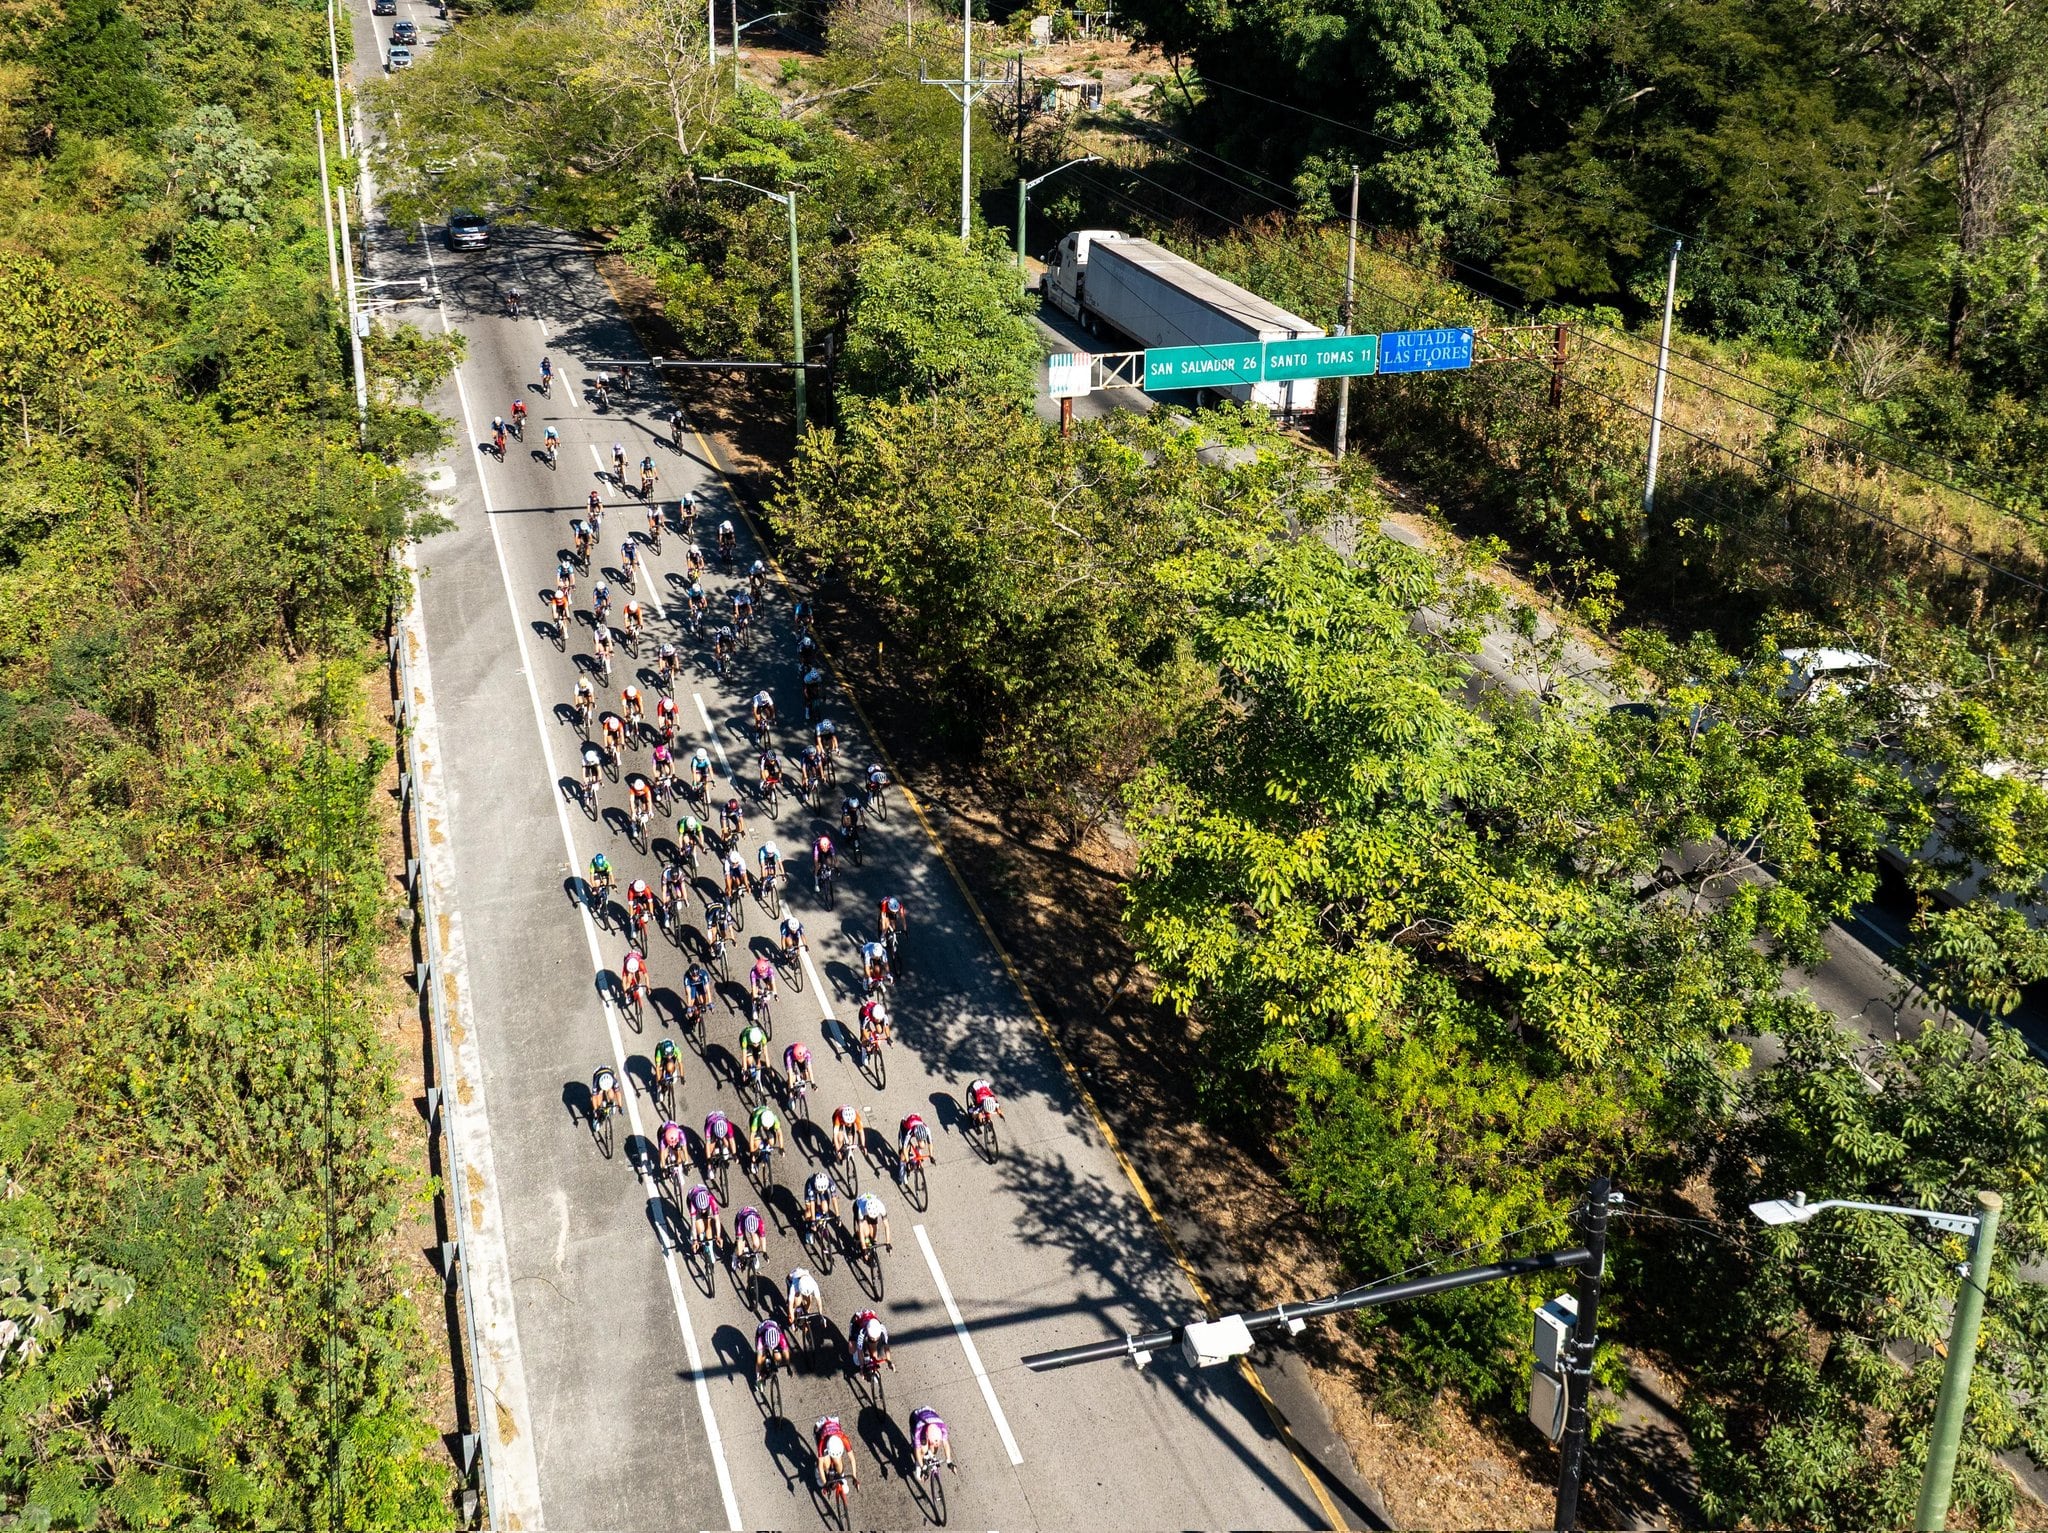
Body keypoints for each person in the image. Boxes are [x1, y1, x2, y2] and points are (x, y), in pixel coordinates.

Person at [814, 1415, 857, 1490]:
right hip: (819, 1430)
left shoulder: (844, 1438)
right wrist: (825, 1484)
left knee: (838, 1461)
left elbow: (852, 1459)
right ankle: (816, 1471)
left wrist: (855, 1477)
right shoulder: (822, 1444)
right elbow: (821, 1467)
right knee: (826, 1465)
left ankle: (842, 1477)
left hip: (833, 1428)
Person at [685, 1180, 723, 1251]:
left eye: (704, 1209)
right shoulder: (693, 1204)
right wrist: (695, 1240)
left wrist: (718, 1236)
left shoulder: (711, 1199)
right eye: (701, 1209)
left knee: (708, 1223)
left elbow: (717, 1220)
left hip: (704, 1199)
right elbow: (692, 1224)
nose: (703, 1211)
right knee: (700, 1228)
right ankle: (699, 1235)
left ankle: (709, 1248)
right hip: (691, 1198)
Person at [898, 1111, 934, 1181]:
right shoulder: (910, 1132)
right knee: (904, 1154)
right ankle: (901, 1171)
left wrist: (931, 1156)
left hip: (916, 1122)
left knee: (922, 1145)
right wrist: (908, 1161)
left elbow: (930, 1143)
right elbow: (904, 1148)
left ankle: (917, 1150)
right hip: (905, 1126)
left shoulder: (926, 1129)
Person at [787, 1264, 822, 1331]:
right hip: (791, 1279)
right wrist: (793, 1319)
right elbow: (790, 1305)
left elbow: (819, 1300)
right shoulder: (794, 1286)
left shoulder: (813, 1284)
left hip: (804, 1281)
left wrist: (821, 1315)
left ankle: (806, 1315)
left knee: (809, 1301)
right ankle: (796, 1312)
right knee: (797, 1302)